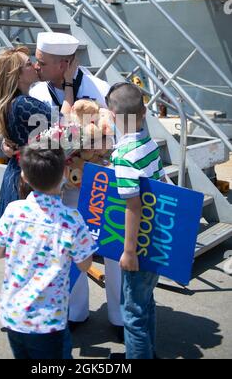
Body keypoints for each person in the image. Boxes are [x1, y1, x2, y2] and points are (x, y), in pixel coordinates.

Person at [29, 32, 123, 332]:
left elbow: (119, 137)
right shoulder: (38, 93)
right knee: (68, 248)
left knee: (111, 247)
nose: (36, 66)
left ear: (65, 64)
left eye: (42, 62)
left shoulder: (101, 88)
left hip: (102, 182)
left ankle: (120, 317)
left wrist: (95, 146)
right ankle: (74, 312)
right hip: (63, 186)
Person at [0, 145, 97, 359]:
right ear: (65, 174)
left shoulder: (14, 211)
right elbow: (85, 265)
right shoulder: (72, 219)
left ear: (24, 176)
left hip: (13, 316)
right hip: (49, 322)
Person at [106, 82, 166, 360]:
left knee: (132, 314)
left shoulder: (123, 157)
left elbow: (133, 204)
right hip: (154, 236)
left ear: (112, 115)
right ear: (143, 112)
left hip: (138, 244)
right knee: (146, 303)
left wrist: (129, 251)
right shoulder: (148, 144)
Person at [0, 45, 76, 224]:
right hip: (30, 178)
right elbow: (64, 123)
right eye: (29, 64)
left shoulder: (10, 102)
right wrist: (68, 84)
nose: (36, 66)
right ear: (18, 75)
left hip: (15, 172)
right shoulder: (24, 103)